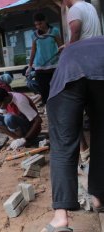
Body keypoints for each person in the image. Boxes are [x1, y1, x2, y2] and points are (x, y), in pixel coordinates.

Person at [42, 37, 104, 232]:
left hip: (67, 76)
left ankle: (60, 218)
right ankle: (98, 197)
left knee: (62, 145)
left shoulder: (70, 51)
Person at [61, 0, 102, 163]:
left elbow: (76, 32)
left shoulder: (75, 10)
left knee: (72, 109)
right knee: (95, 108)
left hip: (84, 63)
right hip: (97, 59)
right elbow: (87, 34)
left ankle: (85, 150)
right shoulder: (89, 6)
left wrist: (68, 52)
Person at [26, 13, 62, 105]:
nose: (38, 26)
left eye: (40, 23)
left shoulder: (54, 31)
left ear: (45, 21)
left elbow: (61, 47)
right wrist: (30, 66)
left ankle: (57, 106)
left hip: (54, 65)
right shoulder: (34, 35)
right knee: (43, 90)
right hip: (40, 67)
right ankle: (47, 107)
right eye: (36, 25)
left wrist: (62, 59)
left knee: (56, 88)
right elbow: (33, 51)